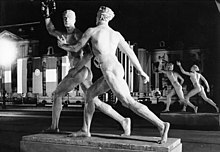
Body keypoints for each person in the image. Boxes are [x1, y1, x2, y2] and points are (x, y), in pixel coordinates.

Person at [61, 6, 170, 144]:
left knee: (128, 102)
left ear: (100, 17)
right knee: (89, 94)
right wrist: (141, 71)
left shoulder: (92, 31)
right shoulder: (115, 34)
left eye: (97, 15)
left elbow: (76, 47)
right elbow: (130, 53)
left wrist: (63, 45)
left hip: (110, 70)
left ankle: (161, 125)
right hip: (115, 68)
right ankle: (85, 129)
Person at [41, 1, 131, 135]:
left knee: (57, 94)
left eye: (69, 18)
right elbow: (50, 30)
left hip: (80, 70)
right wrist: (46, 16)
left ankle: (54, 127)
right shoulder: (63, 35)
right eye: (64, 17)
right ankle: (123, 120)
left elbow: (89, 53)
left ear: (74, 20)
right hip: (84, 72)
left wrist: (76, 68)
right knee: (94, 100)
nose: (66, 20)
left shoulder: (78, 34)